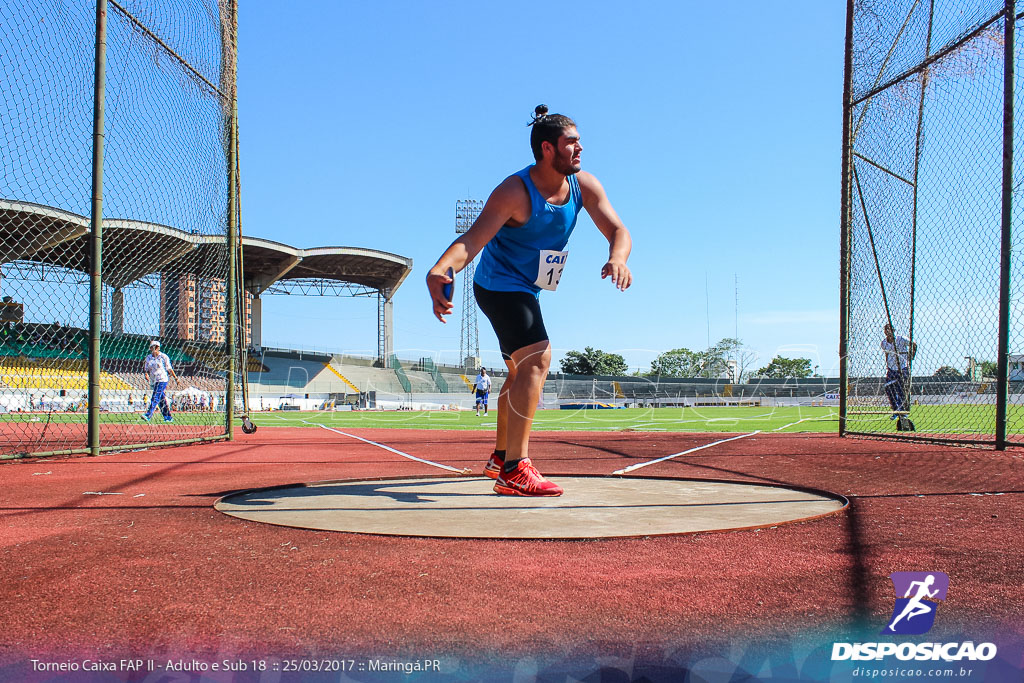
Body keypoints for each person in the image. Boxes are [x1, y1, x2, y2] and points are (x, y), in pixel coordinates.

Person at [427, 105, 633, 496]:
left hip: (530, 289)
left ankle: (501, 456)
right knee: (537, 358)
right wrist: (442, 269)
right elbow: (472, 241)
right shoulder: (514, 192)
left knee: (519, 371)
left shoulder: (583, 186)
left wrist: (617, 257)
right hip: (499, 286)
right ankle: (515, 469)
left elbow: (619, 229)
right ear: (547, 149)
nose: (581, 149)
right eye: (572, 143)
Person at [882, 323, 916, 420]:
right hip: (892, 369)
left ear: (893, 331)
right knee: (889, 389)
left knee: (901, 390)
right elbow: (887, 354)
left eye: (889, 330)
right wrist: (887, 364)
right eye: (886, 330)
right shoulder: (884, 343)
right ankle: (896, 409)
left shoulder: (901, 339)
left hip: (903, 368)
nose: (888, 332)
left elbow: (914, 345)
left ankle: (903, 412)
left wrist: (911, 357)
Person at [142, 340, 178, 422]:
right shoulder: (148, 357)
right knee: (161, 399)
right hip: (154, 380)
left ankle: (148, 415)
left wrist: (176, 378)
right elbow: (146, 369)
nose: (153, 349)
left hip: (162, 379)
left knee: (155, 397)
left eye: (155, 347)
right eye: (152, 347)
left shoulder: (163, 357)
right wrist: (146, 374)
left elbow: (169, 368)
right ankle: (168, 417)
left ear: (158, 348)